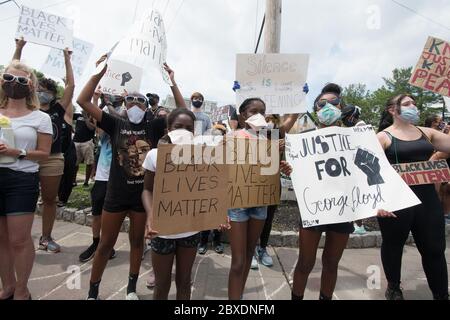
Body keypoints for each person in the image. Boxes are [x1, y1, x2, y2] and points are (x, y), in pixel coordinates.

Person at [77, 56, 186, 300]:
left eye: (141, 100)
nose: (135, 103)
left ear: (147, 106)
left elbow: (182, 111)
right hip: (115, 195)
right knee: (105, 244)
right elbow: (82, 100)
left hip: (141, 198)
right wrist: (99, 72)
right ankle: (93, 291)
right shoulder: (114, 123)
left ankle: (130, 289)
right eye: (131, 99)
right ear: (124, 103)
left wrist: (172, 82)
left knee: (138, 243)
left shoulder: (155, 126)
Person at [142, 108, 230, 300]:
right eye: (178, 127)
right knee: (162, 285)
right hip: (162, 231)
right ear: (168, 130)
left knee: (184, 283)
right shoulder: (155, 155)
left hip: (190, 231)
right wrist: (150, 215)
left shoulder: (203, 157)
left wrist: (220, 212)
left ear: (194, 132)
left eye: (188, 128)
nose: (183, 131)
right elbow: (147, 190)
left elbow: (211, 190)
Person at [377, 94, 450, 300]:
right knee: (393, 245)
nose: (414, 107)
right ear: (393, 110)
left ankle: (441, 294)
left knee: (435, 249)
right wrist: (379, 202)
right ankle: (393, 287)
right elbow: (371, 171)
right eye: (407, 104)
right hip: (396, 202)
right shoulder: (383, 137)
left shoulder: (427, 133)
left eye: (414, 103)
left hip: (427, 200)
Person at [289, 83, 355, 301]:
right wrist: (289, 169)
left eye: (333, 102)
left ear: (341, 107)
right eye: (322, 103)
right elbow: (298, 171)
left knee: (331, 263)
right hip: (315, 208)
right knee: (305, 263)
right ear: (316, 109)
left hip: (343, 209)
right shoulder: (303, 139)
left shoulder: (355, 137)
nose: (328, 106)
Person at [13, 38, 75, 253]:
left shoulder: (58, 109)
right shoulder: (28, 108)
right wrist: (19, 48)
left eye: (47, 89)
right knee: (22, 196)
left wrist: (67, 59)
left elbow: (71, 85)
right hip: (27, 156)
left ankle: (46, 237)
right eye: (39, 88)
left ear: (53, 94)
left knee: (50, 199)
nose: (42, 92)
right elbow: (12, 78)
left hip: (52, 158)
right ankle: (19, 237)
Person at [0, 60, 53, 300]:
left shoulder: (40, 118)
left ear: (30, 85)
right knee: (1, 239)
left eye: (22, 80)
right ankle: (8, 285)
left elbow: (44, 154)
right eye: (10, 78)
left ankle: (22, 288)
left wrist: (17, 152)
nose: (15, 84)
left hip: (22, 180)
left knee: (19, 239)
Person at [78, 92, 123, 263]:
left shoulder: (125, 120)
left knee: (113, 215)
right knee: (97, 212)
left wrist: (110, 102)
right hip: (103, 177)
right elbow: (97, 122)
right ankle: (96, 243)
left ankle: (107, 245)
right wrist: (96, 99)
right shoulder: (104, 130)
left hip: (119, 178)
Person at [197, 123, 228, 255]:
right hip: (206, 186)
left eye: (221, 131)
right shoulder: (205, 145)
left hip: (221, 187)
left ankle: (217, 241)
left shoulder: (227, 148)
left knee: (219, 215)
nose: (218, 133)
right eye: (216, 130)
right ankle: (203, 241)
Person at [341, 104, 367, 235]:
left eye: (345, 117)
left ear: (351, 116)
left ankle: (359, 224)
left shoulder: (361, 127)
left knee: (355, 197)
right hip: (356, 167)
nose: (344, 120)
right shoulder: (357, 127)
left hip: (359, 169)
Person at [57, 102, 77, 207]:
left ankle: (63, 199)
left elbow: (68, 101)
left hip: (69, 150)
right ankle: (50, 196)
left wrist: (68, 86)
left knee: (68, 176)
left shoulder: (67, 117)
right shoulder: (49, 117)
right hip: (55, 151)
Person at [72, 111, 96, 187]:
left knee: (89, 163)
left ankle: (86, 181)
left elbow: (92, 128)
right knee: (75, 163)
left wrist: (86, 117)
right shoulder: (78, 115)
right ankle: (73, 180)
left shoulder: (93, 117)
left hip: (87, 142)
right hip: (76, 142)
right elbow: (67, 116)